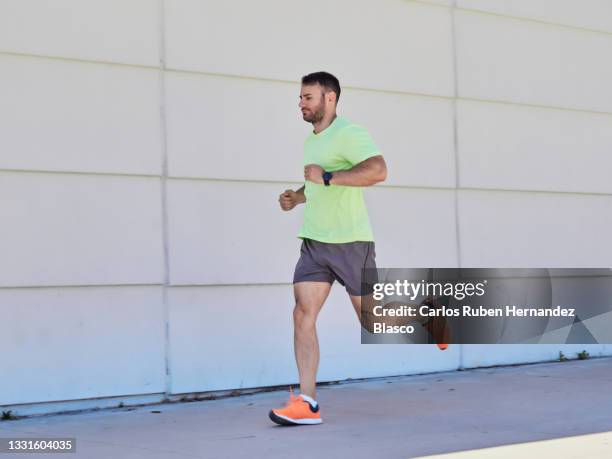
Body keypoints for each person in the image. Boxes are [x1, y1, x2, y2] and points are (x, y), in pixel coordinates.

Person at [269, 72, 448, 427]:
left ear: (329, 98)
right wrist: (299, 196)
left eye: (308, 97)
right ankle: (308, 403)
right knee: (302, 313)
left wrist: (329, 177)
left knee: (373, 320)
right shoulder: (313, 140)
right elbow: (320, 184)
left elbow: (378, 171)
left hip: (350, 244)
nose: (301, 103)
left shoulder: (349, 133)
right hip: (315, 244)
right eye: (300, 97)